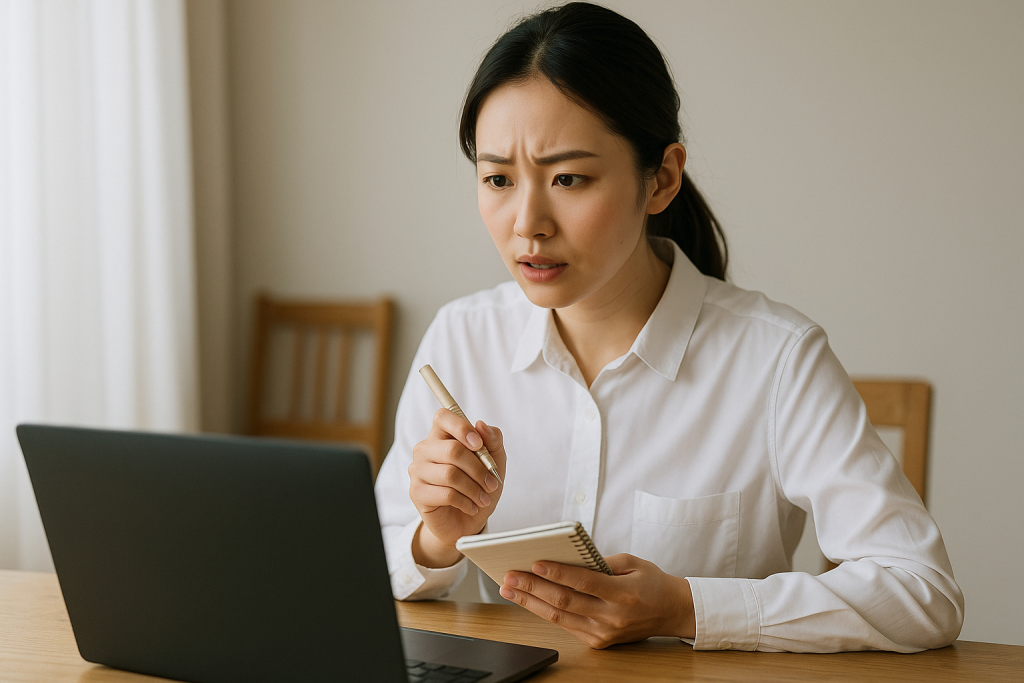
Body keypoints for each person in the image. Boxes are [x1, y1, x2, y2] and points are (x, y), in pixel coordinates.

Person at [374, 2, 963, 652]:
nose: (527, 223)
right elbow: (371, 571)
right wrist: (439, 534)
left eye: (569, 177)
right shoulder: (461, 339)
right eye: (498, 179)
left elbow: (923, 592)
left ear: (662, 179)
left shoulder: (776, 358)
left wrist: (687, 606)